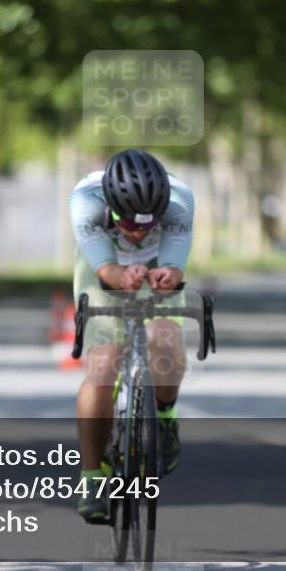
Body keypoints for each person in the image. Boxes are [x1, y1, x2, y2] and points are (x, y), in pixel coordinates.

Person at [70, 149, 194, 522]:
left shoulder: (180, 201)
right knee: (103, 365)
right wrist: (120, 276)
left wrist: (168, 274)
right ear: (111, 204)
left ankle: (166, 413)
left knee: (165, 342)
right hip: (103, 268)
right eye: (129, 223)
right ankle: (92, 478)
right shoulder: (84, 201)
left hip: (155, 266)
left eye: (147, 224)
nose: (138, 232)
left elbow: (174, 264)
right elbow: (106, 270)